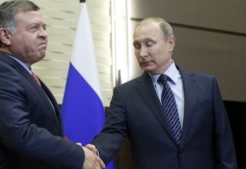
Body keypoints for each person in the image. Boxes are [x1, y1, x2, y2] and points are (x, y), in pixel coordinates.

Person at [0, 1, 105, 169]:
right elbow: (21, 135)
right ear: (5, 36)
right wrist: (77, 155)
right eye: (34, 28)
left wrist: (77, 150)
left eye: (44, 28)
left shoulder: (23, 74)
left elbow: (44, 131)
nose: (44, 34)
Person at [87, 17, 238, 169]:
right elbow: (112, 133)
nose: (142, 53)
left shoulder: (206, 86)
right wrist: (94, 153)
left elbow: (224, 144)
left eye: (149, 44)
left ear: (170, 43)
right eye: (137, 46)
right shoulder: (126, 94)